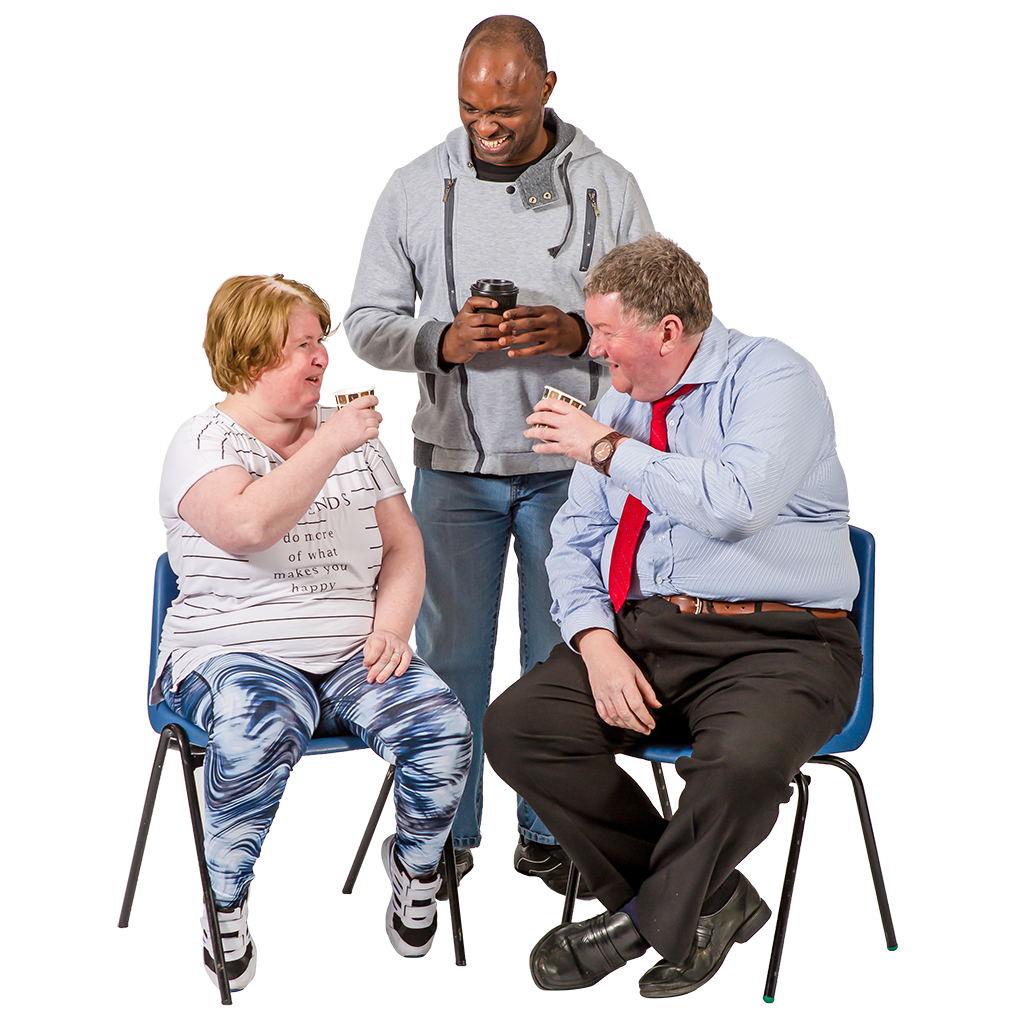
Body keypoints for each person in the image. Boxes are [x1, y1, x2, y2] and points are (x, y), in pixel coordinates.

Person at [483, 235, 862, 996]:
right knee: (520, 727)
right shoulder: (620, 405)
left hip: (786, 641)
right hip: (652, 630)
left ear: (667, 331)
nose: (593, 348)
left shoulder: (772, 380)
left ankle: (640, 924)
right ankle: (706, 903)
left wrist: (606, 449)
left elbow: (734, 506)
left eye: (606, 332)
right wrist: (594, 640)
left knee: (746, 763)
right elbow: (577, 541)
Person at [343, 14, 653, 889]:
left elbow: (658, 328)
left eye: (507, 110)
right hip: (453, 466)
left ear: (548, 89)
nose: (488, 126)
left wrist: (575, 331)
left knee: (564, 662)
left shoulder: (607, 186)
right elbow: (363, 322)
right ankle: (445, 837)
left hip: (577, 473)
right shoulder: (414, 189)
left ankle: (556, 844)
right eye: (472, 109)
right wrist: (444, 342)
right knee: (449, 665)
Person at [154, 275, 472, 986]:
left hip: (352, 656)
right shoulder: (203, 440)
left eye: (320, 341)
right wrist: (329, 441)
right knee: (259, 722)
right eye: (303, 344)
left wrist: (392, 625)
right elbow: (247, 525)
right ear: (250, 355)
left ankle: (416, 871)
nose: (322, 357)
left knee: (441, 725)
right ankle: (224, 899)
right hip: (235, 654)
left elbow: (403, 547)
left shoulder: (352, 437)